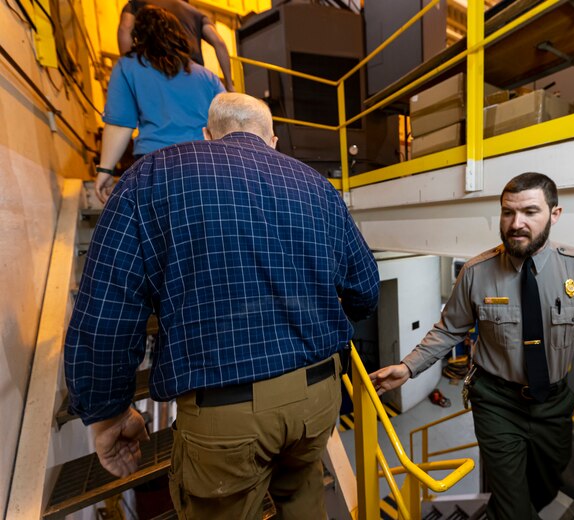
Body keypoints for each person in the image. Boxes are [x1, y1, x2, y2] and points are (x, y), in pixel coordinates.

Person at [65, 93, 379, 519]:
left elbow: (106, 313)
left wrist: (107, 414)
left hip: (225, 414)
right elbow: (365, 291)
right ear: (273, 140)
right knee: (305, 499)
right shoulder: (317, 186)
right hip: (317, 398)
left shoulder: (153, 177)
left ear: (209, 135)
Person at [371, 172, 574, 520]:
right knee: (511, 503)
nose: (516, 224)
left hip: (554, 403)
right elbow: (449, 330)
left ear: (555, 214)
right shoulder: (477, 272)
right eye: (508, 212)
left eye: (529, 212)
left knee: (546, 485)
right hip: (497, 402)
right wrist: (408, 367)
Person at [96, 5, 225, 203]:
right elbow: (227, 124)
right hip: (204, 165)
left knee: (157, 232)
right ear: (180, 35)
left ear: (138, 35)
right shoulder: (207, 76)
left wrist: (105, 169)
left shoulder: (127, 66)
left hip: (154, 165)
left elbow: (120, 123)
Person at [118, 0, 234, 92]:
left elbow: (125, 28)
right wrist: (229, 85)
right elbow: (219, 42)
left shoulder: (137, 3)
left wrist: (128, 67)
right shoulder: (196, 13)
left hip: (156, 67)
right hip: (192, 73)